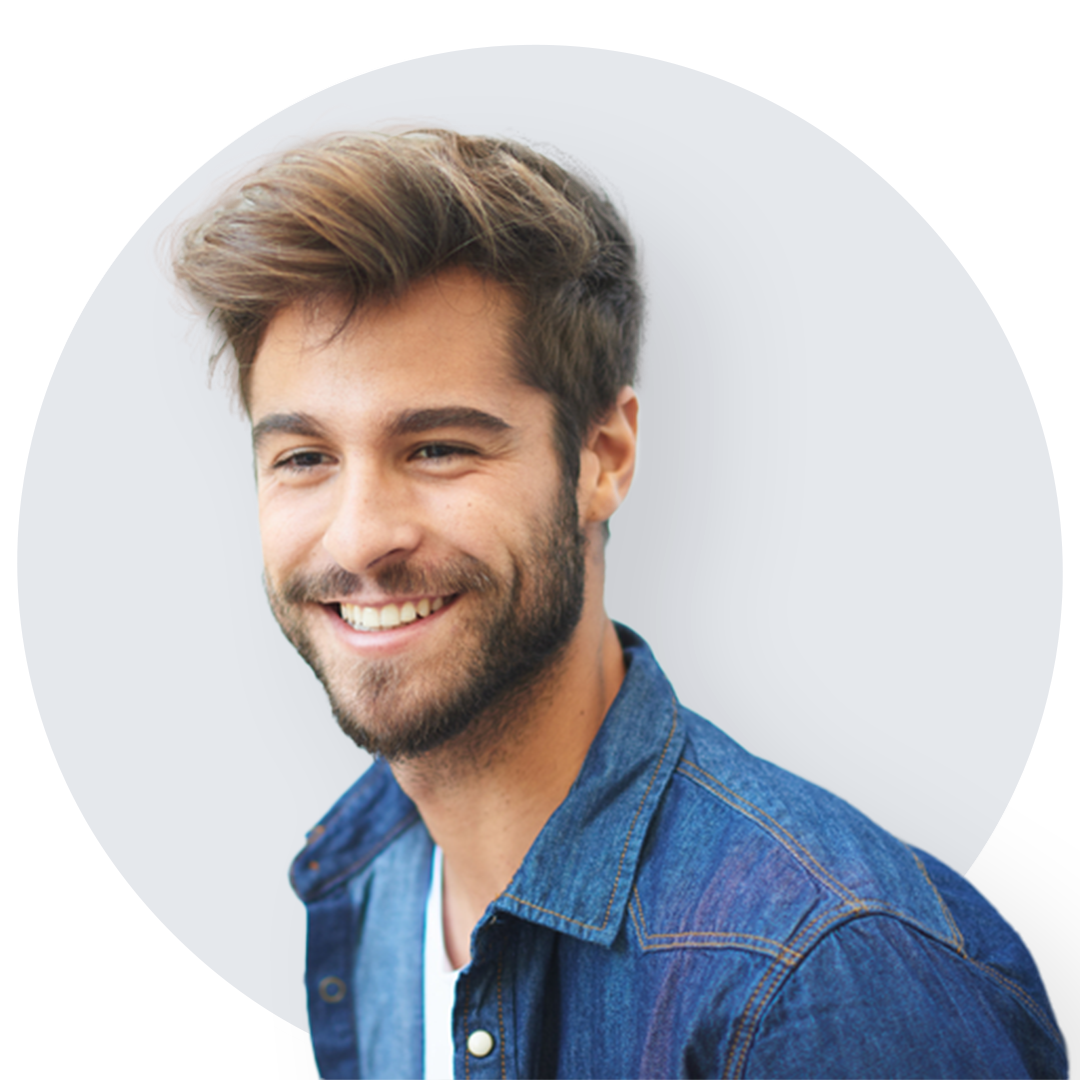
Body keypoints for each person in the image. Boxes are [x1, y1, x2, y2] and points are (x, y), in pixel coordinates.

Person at [153, 119, 1068, 1080]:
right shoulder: (364, 875)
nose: (358, 537)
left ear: (603, 457)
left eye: (439, 448)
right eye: (303, 458)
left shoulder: (826, 974)